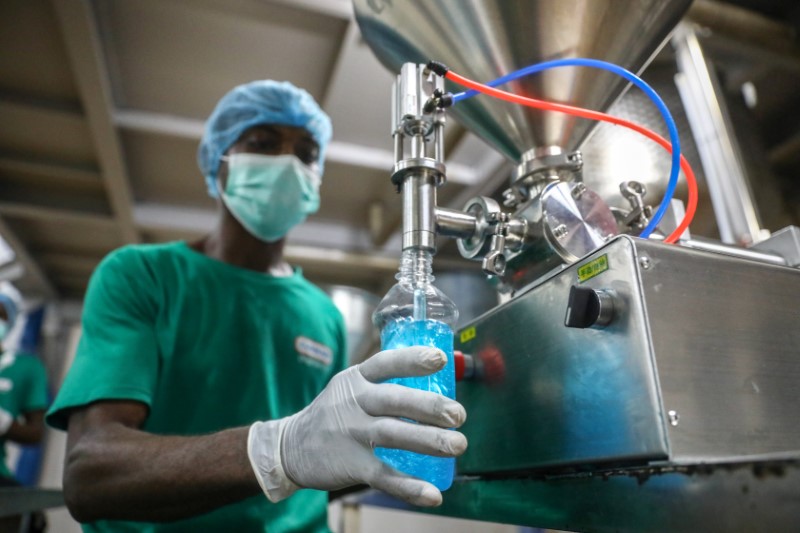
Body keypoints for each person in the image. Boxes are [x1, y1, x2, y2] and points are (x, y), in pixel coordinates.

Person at [45, 80, 467, 532]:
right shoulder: (143, 276)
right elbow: (90, 474)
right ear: (219, 161)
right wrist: (276, 449)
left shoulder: (322, 315)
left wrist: (386, 442)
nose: (287, 163)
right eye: (264, 144)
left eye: (306, 153)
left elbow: (322, 460)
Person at [0, 284, 49, 532]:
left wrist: (5, 424)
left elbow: (36, 433)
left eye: (0, 314)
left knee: (31, 521)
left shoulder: (26, 368)